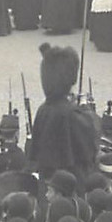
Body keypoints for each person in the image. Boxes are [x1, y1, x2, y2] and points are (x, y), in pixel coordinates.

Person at [27, 44, 97, 183]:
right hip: (72, 182)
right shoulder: (72, 114)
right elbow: (89, 150)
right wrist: (86, 112)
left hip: (46, 178)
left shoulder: (43, 109)